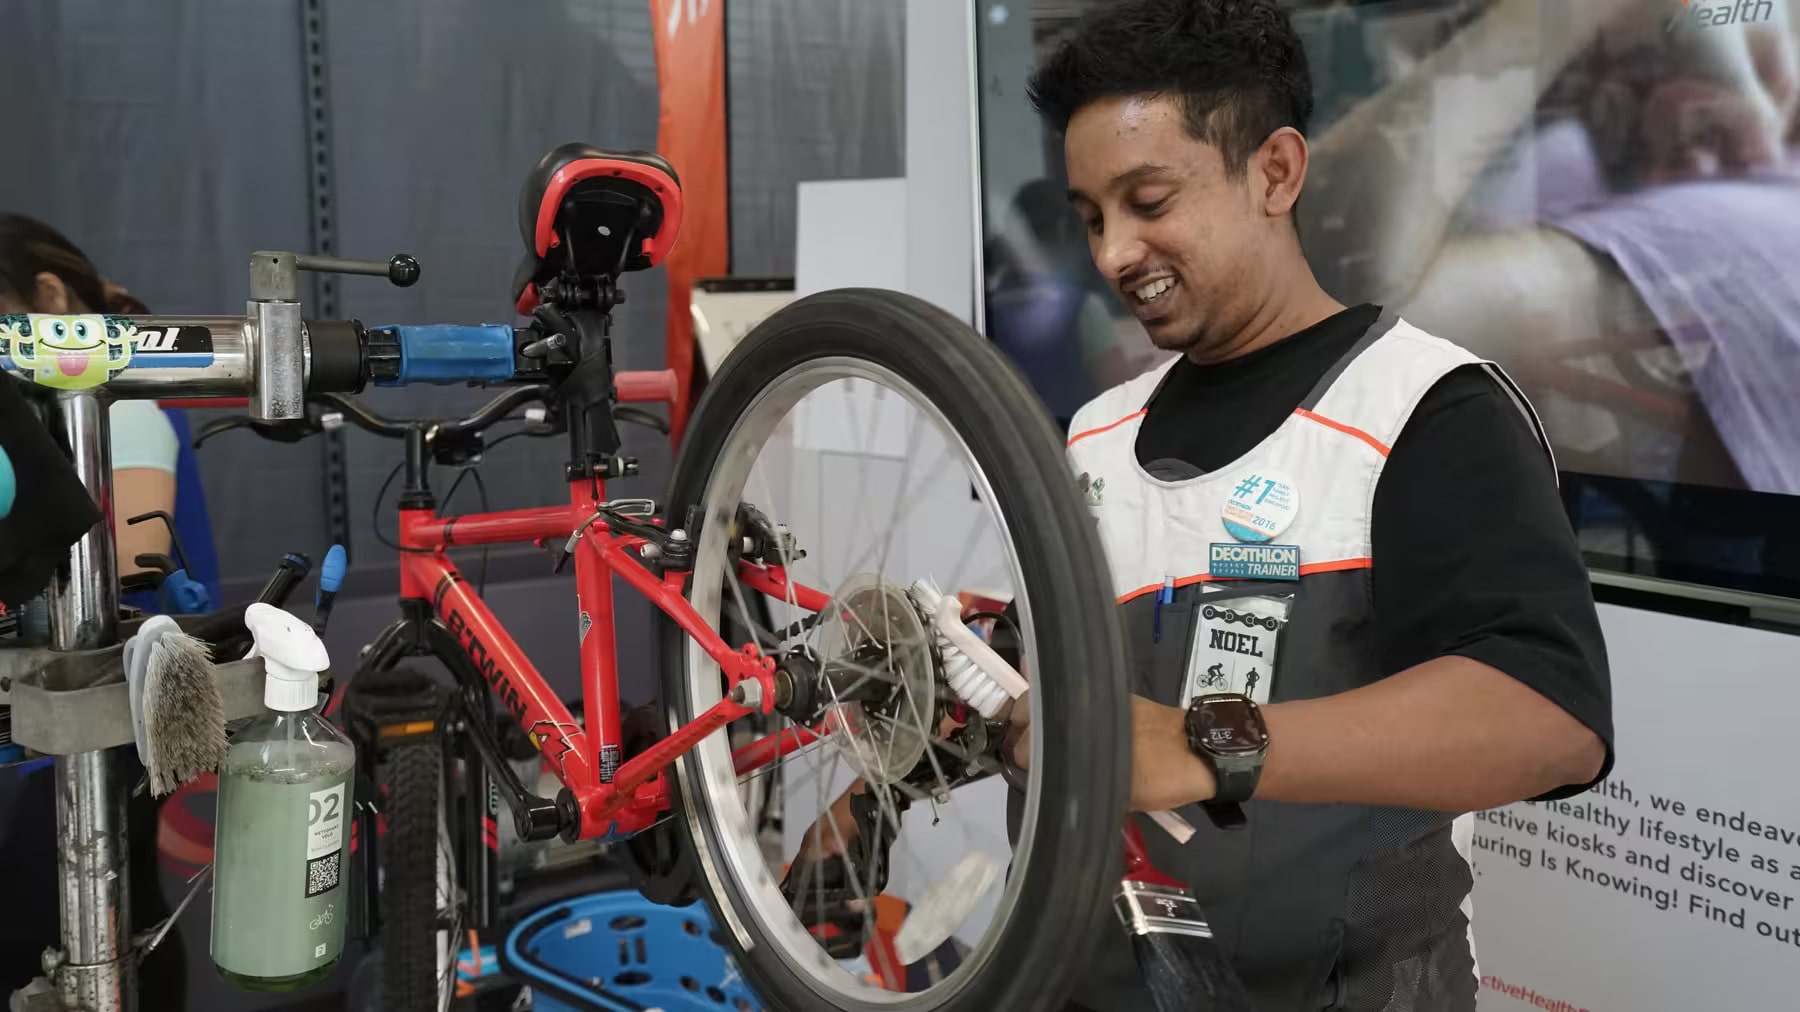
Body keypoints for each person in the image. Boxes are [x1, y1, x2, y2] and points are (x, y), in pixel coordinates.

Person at [1006, 2, 1613, 1009]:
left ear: (1276, 173)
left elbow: (1550, 720)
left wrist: (1205, 745)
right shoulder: (1095, 434)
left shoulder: (1422, 409)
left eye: (1148, 200)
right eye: (1091, 217)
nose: (1113, 253)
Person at [0, 212, 187, 1004]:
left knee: (98, 925)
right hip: (54, 718)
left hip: (106, 715)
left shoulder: (123, 407)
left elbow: (137, 555)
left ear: (47, 296)